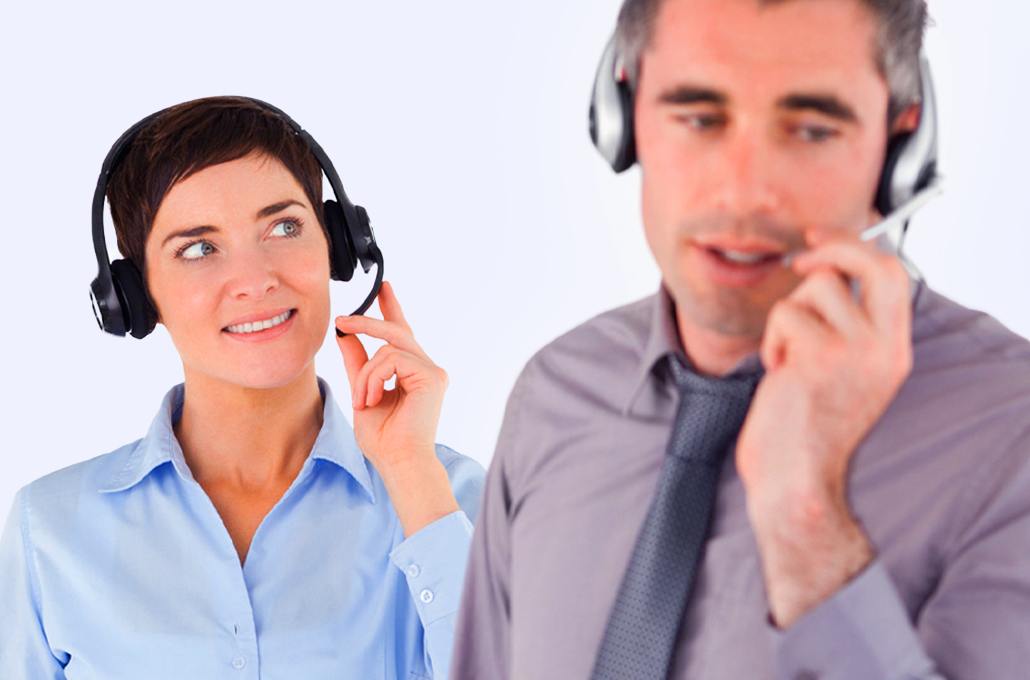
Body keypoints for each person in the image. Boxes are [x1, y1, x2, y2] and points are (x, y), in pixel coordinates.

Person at [451, 1, 1030, 679]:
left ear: (902, 143)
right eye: (698, 118)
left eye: (812, 129)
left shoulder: (1010, 434)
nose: (744, 191)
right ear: (620, 115)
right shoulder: (556, 394)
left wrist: (806, 521)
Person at [0, 97, 484, 679]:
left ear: (337, 243)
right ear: (135, 296)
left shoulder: (454, 501)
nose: (256, 280)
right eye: (198, 248)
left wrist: (410, 472)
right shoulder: (50, 529)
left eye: (284, 227)